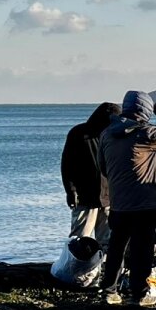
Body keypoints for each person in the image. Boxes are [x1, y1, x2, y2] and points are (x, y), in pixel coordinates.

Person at [96, 89, 156, 306]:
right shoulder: (146, 132)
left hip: (119, 202)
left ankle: (109, 291)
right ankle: (140, 292)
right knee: (141, 249)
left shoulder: (107, 134)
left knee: (116, 247)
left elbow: (103, 167)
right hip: (145, 202)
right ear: (145, 110)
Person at [53, 102, 119, 286]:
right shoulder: (78, 134)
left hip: (108, 197)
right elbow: (67, 165)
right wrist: (71, 191)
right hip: (85, 196)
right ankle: (73, 274)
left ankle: (98, 276)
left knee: (106, 240)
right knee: (79, 239)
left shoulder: (112, 134)